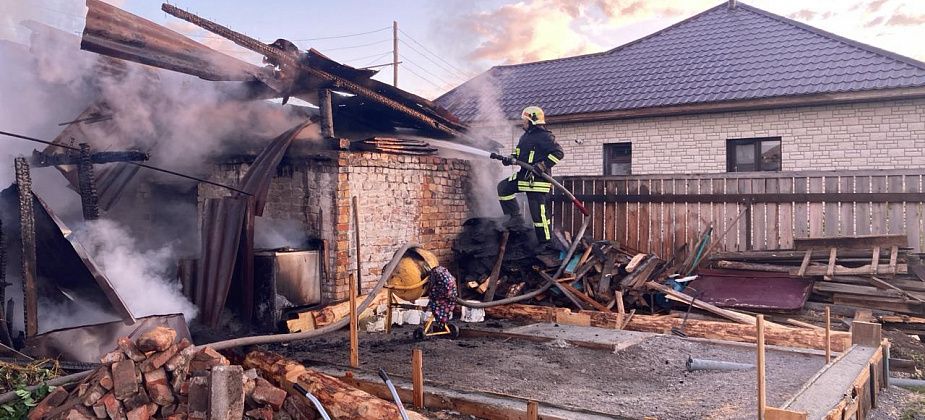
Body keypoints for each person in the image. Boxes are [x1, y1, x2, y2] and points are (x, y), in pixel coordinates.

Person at [496, 105, 564, 248]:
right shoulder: (525, 137)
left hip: (538, 181)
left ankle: (545, 243)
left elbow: (558, 153)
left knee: (538, 216)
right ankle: (515, 217)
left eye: (525, 120)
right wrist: (510, 158)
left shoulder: (545, 136)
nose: (523, 122)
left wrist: (543, 166)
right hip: (523, 177)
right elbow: (518, 154)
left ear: (532, 121)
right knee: (503, 188)